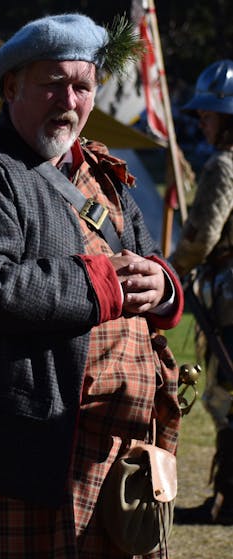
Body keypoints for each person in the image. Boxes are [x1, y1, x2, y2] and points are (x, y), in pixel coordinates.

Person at [0, 13, 185, 558]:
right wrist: (102, 284)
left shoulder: (102, 173)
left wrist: (161, 287)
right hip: (11, 446)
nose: (68, 100)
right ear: (12, 86)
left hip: (109, 443)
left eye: (82, 86)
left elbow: (147, 261)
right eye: (53, 82)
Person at [169, 59, 233, 524]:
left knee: (226, 399)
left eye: (208, 115)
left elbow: (201, 238)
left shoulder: (223, 166)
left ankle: (227, 502)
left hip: (228, 297)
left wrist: (169, 270)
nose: (201, 122)